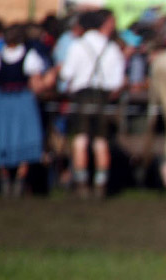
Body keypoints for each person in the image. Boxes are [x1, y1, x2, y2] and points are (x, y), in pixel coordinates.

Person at [59, 9, 125, 198]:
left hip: (81, 96)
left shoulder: (77, 46)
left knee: (80, 140)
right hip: (103, 97)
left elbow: (66, 74)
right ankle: (100, 184)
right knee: (100, 141)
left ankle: (81, 183)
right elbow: (117, 82)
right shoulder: (112, 48)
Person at [0, 23, 46, 197]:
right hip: (22, 101)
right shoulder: (29, 56)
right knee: (23, 139)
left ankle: (5, 181)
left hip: (2, 100)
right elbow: (36, 84)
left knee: (3, 138)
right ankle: (18, 182)